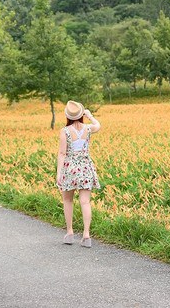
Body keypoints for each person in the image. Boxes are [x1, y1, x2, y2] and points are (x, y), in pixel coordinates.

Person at [56, 100, 101, 248]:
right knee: (85, 202)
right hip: (85, 167)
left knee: (68, 200)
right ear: (80, 114)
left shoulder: (65, 131)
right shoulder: (88, 128)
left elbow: (62, 153)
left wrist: (59, 173)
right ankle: (86, 235)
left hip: (70, 168)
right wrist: (89, 115)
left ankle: (70, 233)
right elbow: (98, 125)